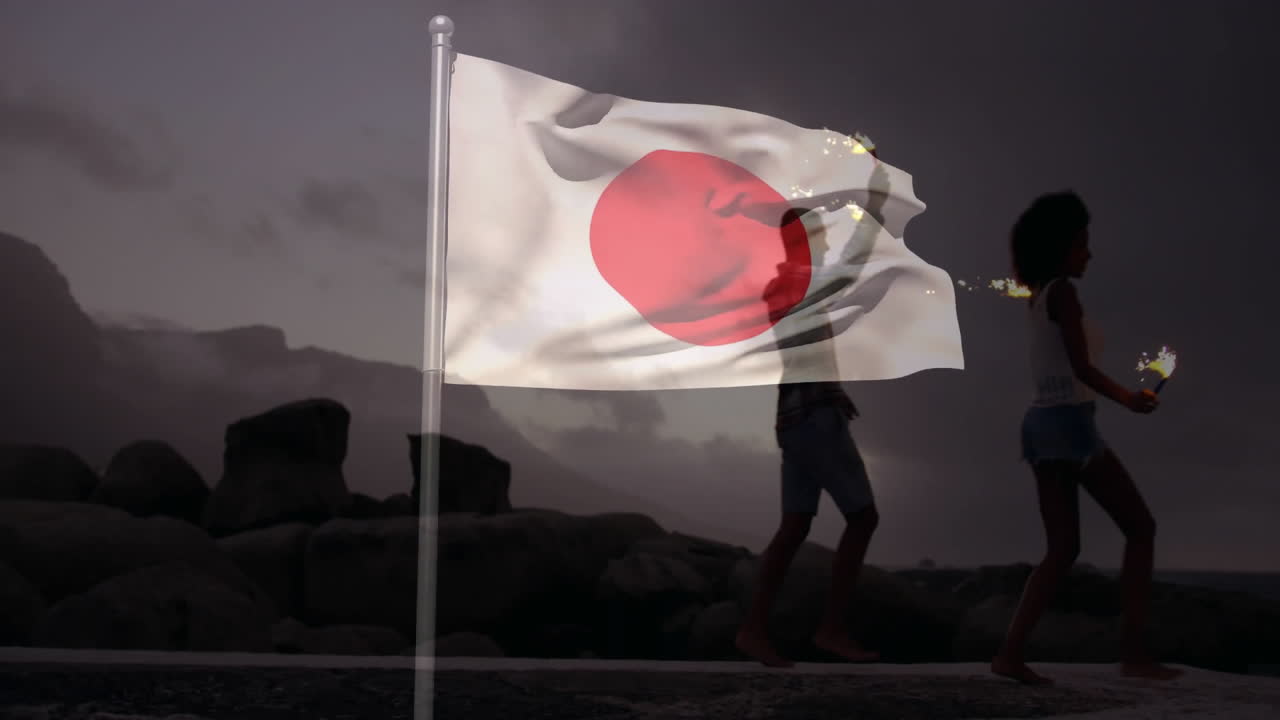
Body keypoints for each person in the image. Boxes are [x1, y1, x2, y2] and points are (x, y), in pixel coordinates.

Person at [991, 191, 1182, 684]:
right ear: (1061, 247)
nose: (1089, 254)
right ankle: (1134, 655)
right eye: (1081, 244)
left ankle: (1010, 654)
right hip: (1070, 427)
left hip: (1039, 425)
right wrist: (1130, 399)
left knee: (1063, 548)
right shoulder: (1065, 294)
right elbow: (1080, 367)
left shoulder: (1037, 295)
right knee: (1140, 527)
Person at [734, 146, 889, 668]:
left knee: (795, 526)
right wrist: (873, 201)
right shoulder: (796, 284)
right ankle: (832, 629)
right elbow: (857, 258)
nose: (824, 246)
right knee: (863, 517)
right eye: (816, 238)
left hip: (794, 420)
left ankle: (755, 630)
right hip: (815, 420)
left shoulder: (786, 286)